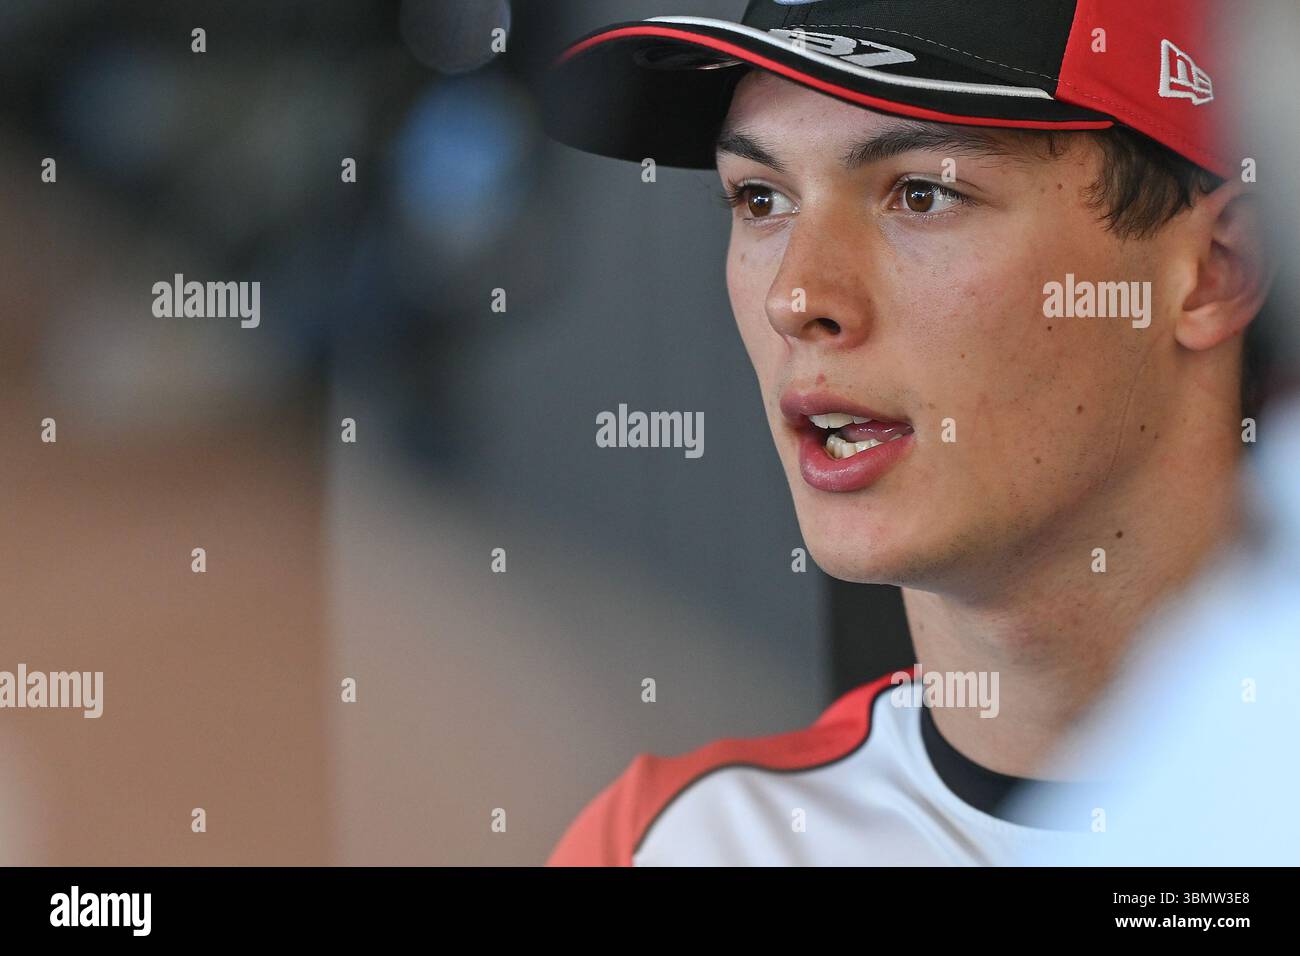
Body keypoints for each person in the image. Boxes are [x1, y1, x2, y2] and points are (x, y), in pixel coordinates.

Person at [541, 0, 1269, 865]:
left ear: (1215, 272)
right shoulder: (680, 846)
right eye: (760, 196)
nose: (796, 296)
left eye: (922, 194)